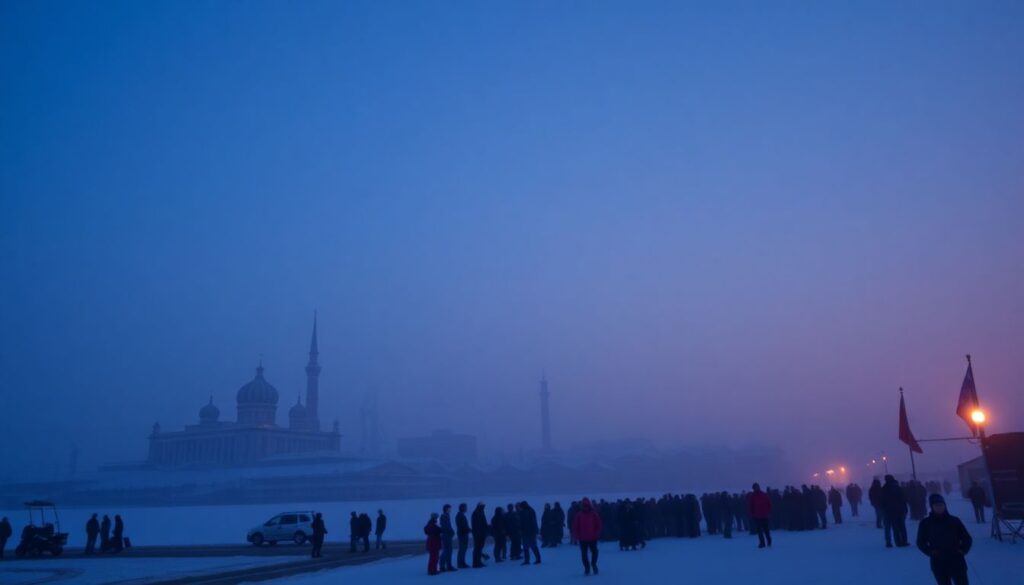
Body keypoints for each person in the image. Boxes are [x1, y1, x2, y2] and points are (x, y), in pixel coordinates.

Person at [917, 494, 973, 585]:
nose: (939, 507)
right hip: (938, 562)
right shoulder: (925, 523)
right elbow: (920, 542)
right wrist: (930, 552)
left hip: (957, 560)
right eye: (936, 505)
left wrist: (963, 550)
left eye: (941, 505)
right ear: (932, 507)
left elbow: (967, 538)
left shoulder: (954, 521)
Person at [571, 497, 603, 576]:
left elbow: (598, 525)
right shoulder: (579, 515)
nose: (585, 507)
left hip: (592, 537)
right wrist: (576, 535)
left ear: (589, 505)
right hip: (582, 539)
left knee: (595, 552)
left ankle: (593, 564)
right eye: (584, 506)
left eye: (586, 505)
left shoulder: (594, 514)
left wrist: (597, 533)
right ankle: (587, 567)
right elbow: (575, 526)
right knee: (584, 554)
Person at [881, 474, 910, 548]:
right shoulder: (898, 487)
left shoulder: (885, 488)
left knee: (895, 527)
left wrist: (885, 508)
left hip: (891, 510)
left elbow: (882, 500)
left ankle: (898, 542)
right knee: (902, 526)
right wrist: (905, 508)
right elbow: (904, 498)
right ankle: (904, 541)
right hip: (901, 509)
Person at [748, 483, 773, 549]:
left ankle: (767, 541)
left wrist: (768, 511)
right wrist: (752, 513)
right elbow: (751, 506)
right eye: (754, 488)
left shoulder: (761, 495)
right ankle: (764, 542)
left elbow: (768, 504)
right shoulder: (754, 496)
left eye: (756, 487)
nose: (755, 489)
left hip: (762, 515)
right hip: (759, 515)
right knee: (761, 530)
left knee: (764, 529)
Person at [519, 501, 541, 565]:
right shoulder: (527, 511)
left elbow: (532, 522)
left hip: (530, 532)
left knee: (532, 546)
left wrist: (534, 531)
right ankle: (528, 560)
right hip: (526, 532)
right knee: (527, 547)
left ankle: (536, 559)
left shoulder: (528, 511)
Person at [471, 502, 489, 568]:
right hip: (478, 534)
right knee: (477, 548)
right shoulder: (476, 513)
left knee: (479, 548)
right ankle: (476, 563)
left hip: (481, 533)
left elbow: (484, 522)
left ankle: (478, 561)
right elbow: (478, 524)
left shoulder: (481, 512)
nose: (483, 507)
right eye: (482, 506)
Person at [439, 504, 456, 572]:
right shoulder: (443, 516)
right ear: (446, 509)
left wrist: (451, 531)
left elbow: (448, 526)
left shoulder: (447, 515)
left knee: (449, 551)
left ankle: (449, 565)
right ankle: (442, 566)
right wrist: (450, 531)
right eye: (449, 508)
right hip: (446, 535)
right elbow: (445, 526)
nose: (450, 510)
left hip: (448, 535)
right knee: (446, 551)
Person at [455, 503, 471, 569]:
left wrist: (468, 530)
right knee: (462, 549)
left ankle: (462, 562)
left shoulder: (461, 515)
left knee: (463, 549)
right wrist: (468, 530)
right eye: (465, 507)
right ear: (462, 508)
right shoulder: (460, 516)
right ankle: (460, 563)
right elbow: (462, 526)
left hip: (463, 533)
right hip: (462, 534)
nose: (466, 508)